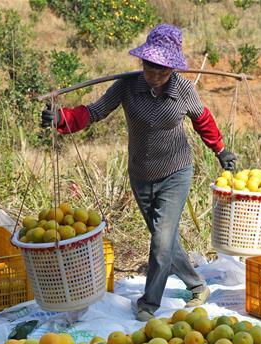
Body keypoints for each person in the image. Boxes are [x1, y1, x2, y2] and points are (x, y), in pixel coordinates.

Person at [40, 24, 238, 322]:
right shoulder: (126, 86)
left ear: (172, 68)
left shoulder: (184, 90)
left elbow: (203, 121)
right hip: (141, 175)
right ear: (142, 61)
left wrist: (221, 150)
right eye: (149, 66)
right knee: (165, 238)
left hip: (176, 171)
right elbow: (93, 112)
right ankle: (197, 285)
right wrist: (62, 118)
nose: (154, 74)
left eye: (162, 69)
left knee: (161, 241)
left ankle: (148, 304)